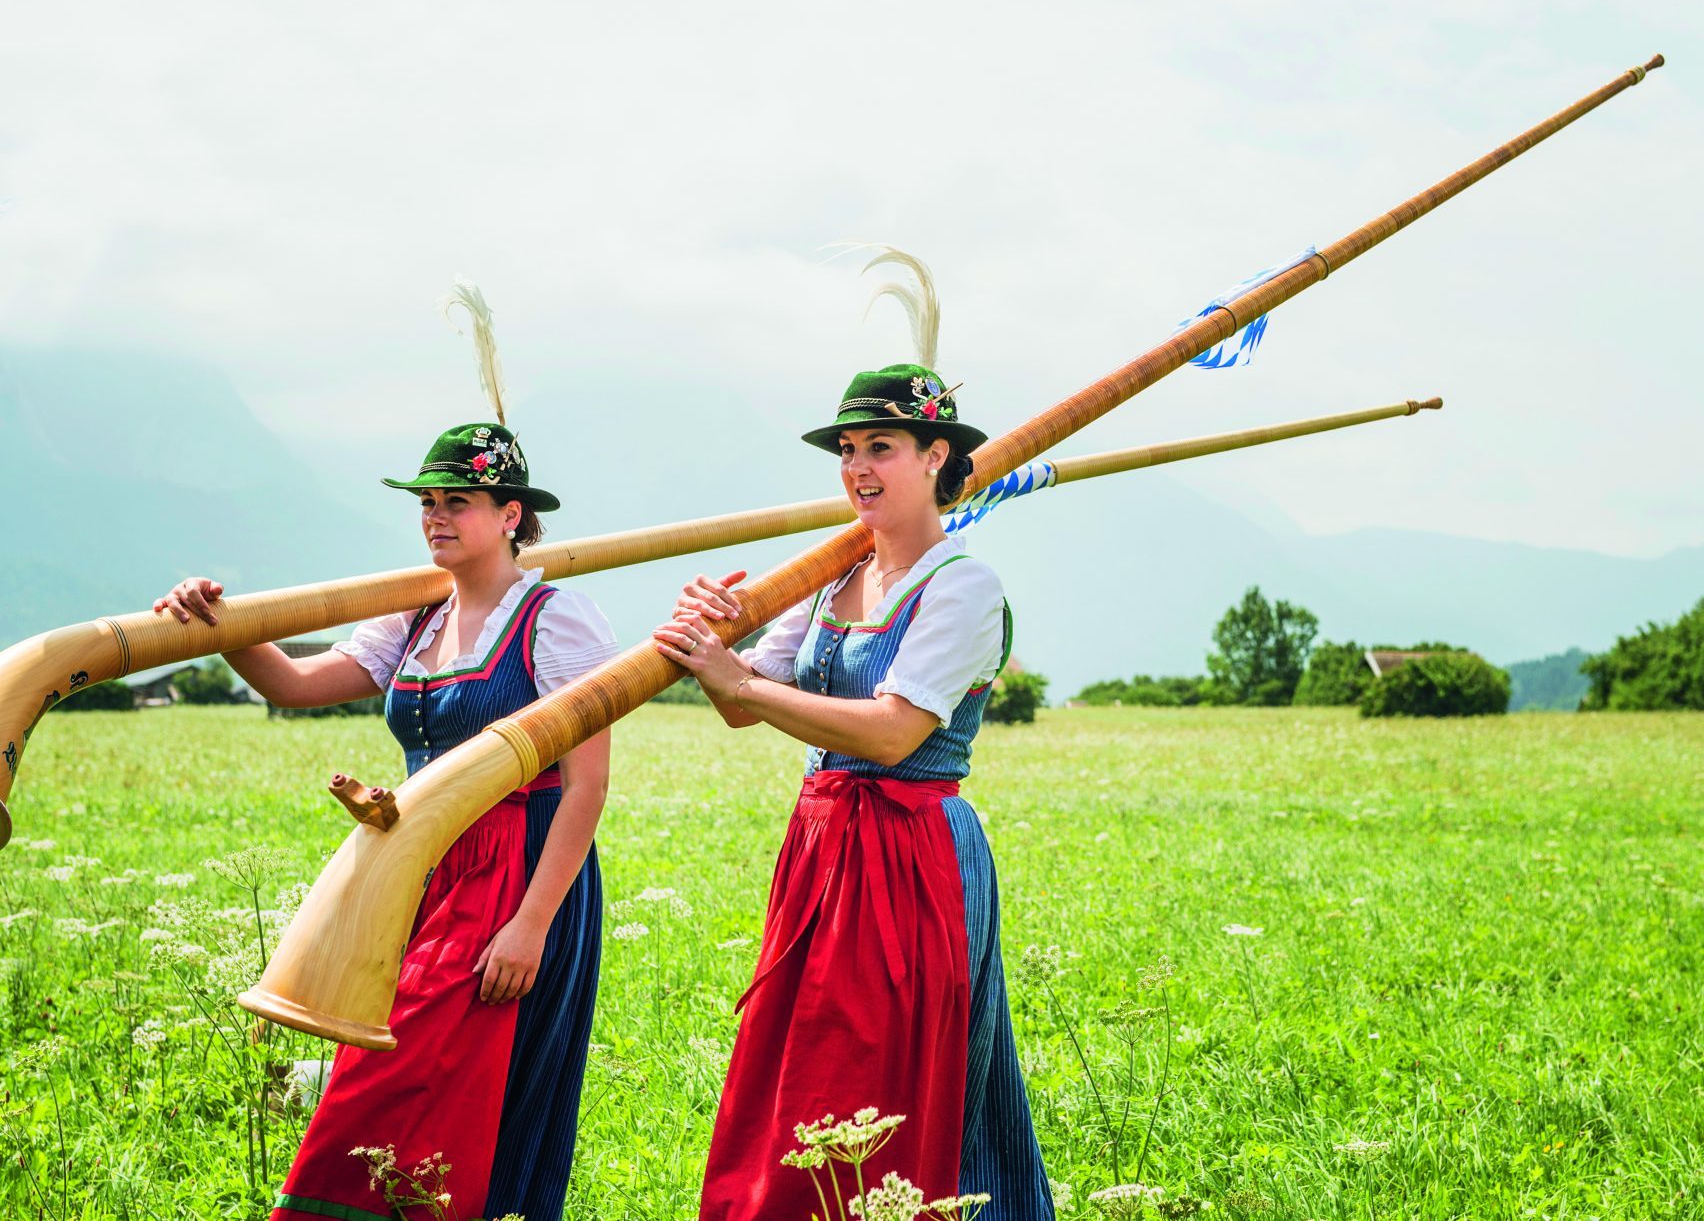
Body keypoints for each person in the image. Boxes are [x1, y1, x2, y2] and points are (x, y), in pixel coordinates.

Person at [155, 291, 617, 1220]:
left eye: (460, 502)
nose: (438, 518)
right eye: (429, 503)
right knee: (382, 1074)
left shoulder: (557, 619)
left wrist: (531, 922)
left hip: (519, 869)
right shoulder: (415, 614)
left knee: (464, 1089)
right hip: (419, 872)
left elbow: (586, 787)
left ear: (511, 513)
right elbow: (295, 684)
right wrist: (223, 627)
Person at [654, 250, 1054, 1219]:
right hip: (821, 847)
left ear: (934, 458)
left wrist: (732, 671)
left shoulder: (963, 584)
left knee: (887, 1072)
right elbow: (745, 700)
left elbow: (888, 732)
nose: (858, 467)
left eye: (881, 446)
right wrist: (720, 637)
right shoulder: (833, 576)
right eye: (847, 449)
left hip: (910, 852)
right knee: (798, 1067)